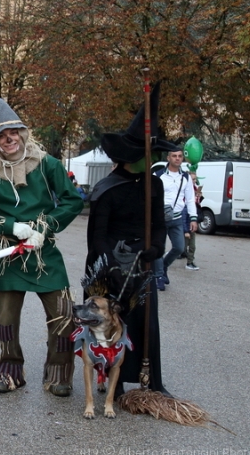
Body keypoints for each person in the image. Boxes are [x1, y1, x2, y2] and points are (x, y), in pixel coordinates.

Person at [0, 98, 83, 396]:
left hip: (44, 253)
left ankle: (59, 372)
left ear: (22, 134)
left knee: (63, 314)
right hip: (5, 256)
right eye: (2, 136)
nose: (9, 139)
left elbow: (72, 200)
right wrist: (10, 227)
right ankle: (9, 369)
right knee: (6, 320)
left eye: (14, 133)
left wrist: (46, 226)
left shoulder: (47, 164)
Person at [87, 81, 174, 396]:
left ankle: (153, 380)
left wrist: (156, 249)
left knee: (146, 324)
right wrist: (109, 264)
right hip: (112, 264)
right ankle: (114, 380)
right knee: (112, 326)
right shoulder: (107, 188)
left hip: (143, 263)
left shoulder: (155, 185)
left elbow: (159, 224)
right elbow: (97, 235)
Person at [153, 149, 198, 290]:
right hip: (160, 218)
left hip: (177, 218)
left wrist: (193, 218)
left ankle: (164, 266)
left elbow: (190, 199)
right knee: (159, 248)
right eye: (174, 156)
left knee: (179, 247)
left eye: (180, 156)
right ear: (168, 158)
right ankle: (159, 276)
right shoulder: (158, 175)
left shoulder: (185, 177)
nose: (177, 158)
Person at [182, 171, 202, 270]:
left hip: (192, 223)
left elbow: (196, 207)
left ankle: (190, 262)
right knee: (182, 247)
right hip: (186, 223)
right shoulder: (186, 192)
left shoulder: (194, 190)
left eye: (195, 179)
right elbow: (184, 214)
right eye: (192, 179)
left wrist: (198, 197)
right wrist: (185, 230)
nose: (194, 181)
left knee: (192, 246)